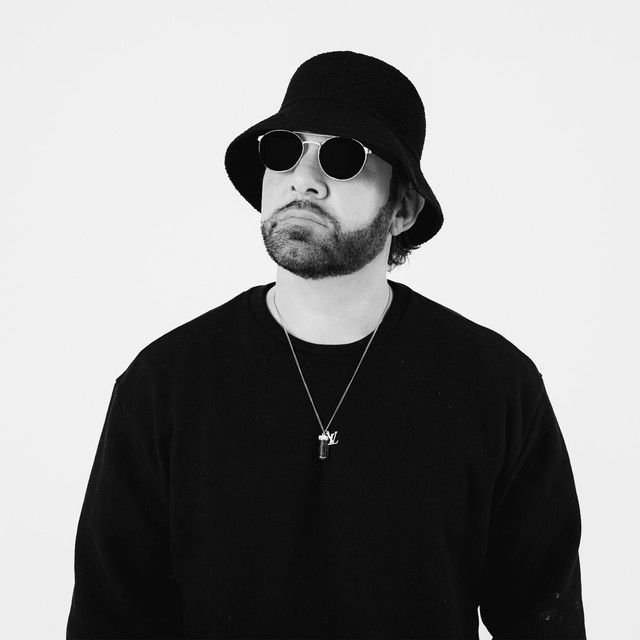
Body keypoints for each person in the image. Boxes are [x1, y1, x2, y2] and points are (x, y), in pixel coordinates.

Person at [66, 50, 587, 639]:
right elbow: (108, 621)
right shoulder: (164, 383)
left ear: (403, 209)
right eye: (284, 150)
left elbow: (544, 621)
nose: (304, 180)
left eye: (343, 158)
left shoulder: (496, 386)